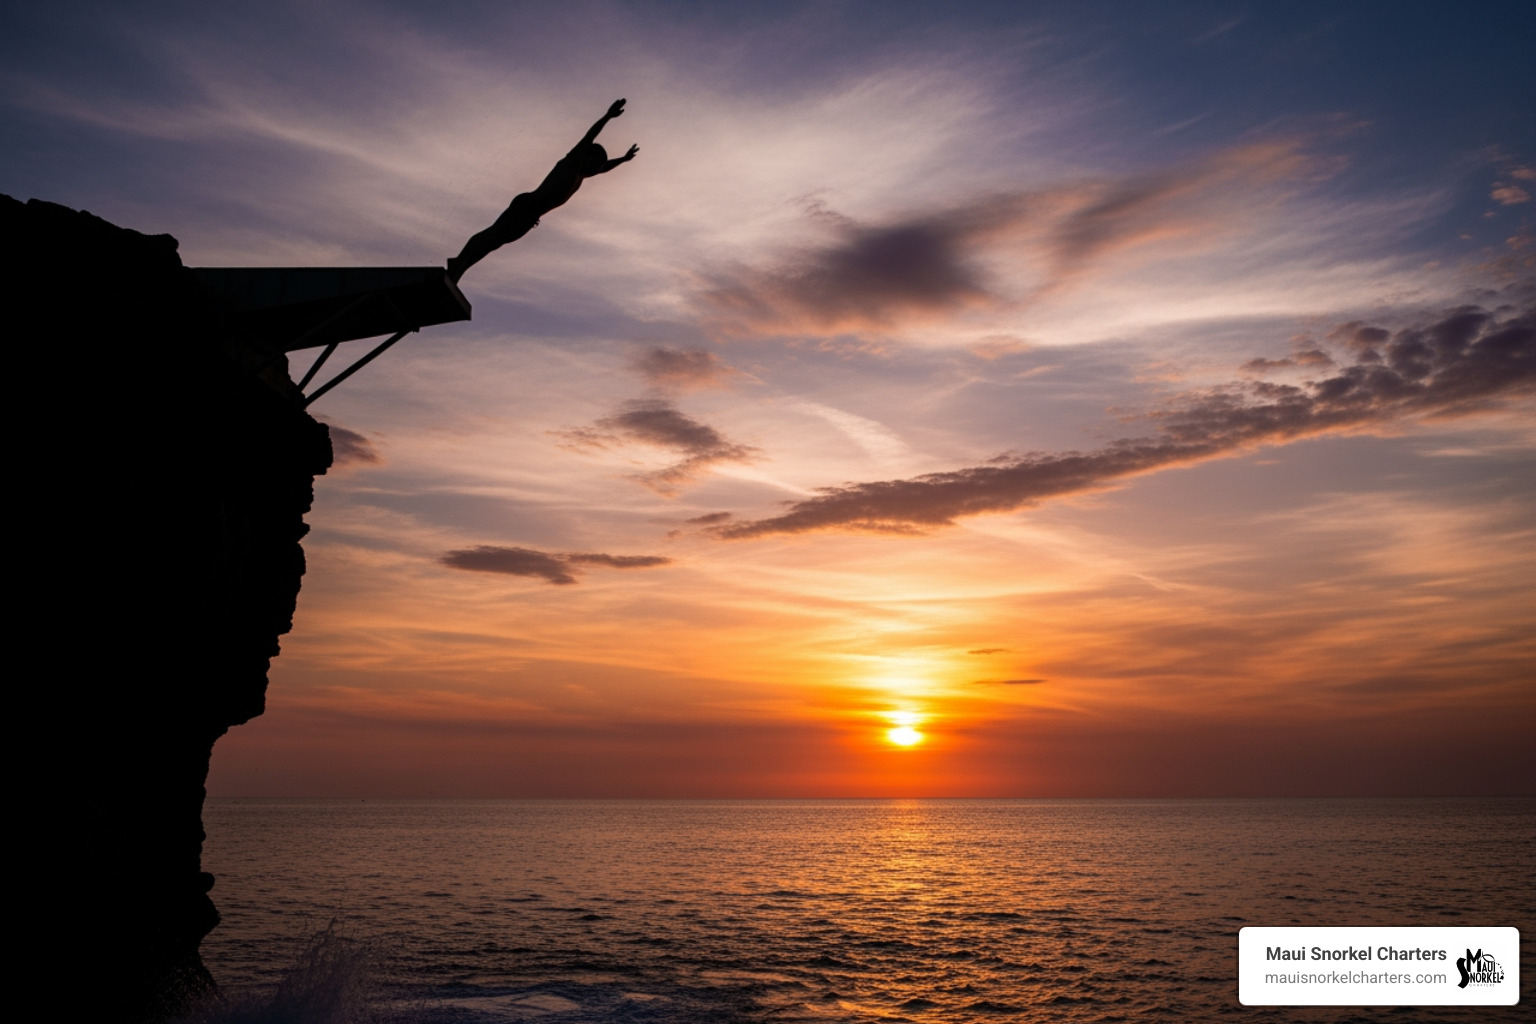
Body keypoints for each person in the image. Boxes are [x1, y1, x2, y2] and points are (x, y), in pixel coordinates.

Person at [447, 98, 639, 282]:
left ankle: (459, 268)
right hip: (527, 205)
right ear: (587, 156)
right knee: (493, 235)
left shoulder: (582, 175)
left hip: (531, 215)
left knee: (495, 243)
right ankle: (458, 262)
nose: (598, 169)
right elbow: (590, 136)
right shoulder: (572, 162)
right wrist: (607, 117)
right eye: (596, 164)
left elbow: (605, 167)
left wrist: (623, 159)